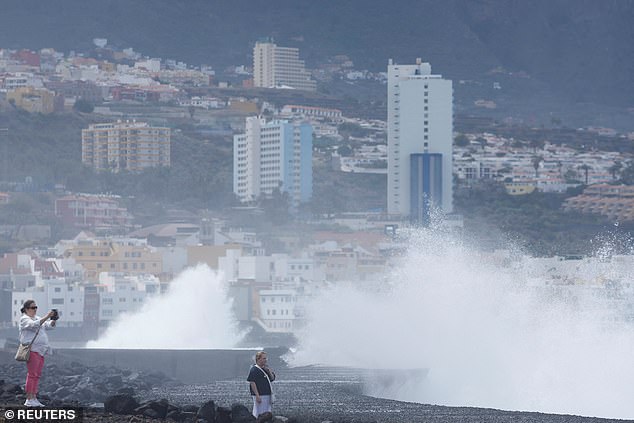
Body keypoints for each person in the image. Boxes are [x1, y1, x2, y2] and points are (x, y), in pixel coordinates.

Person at [19, 299, 57, 407]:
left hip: (41, 351)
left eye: (36, 307)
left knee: (37, 375)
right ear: (26, 309)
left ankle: (34, 397)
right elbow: (33, 325)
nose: (35, 310)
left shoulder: (37, 318)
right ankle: (29, 398)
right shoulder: (24, 319)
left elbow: (48, 326)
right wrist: (47, 316)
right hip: (32, 350)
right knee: (32, 375)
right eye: (32, 308)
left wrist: (54, 319)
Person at [247, 351, 276, 420]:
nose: (266, 360)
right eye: (264, 358)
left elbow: (272, 378)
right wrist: (257, 395)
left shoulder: (265, 369)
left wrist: (269, 371)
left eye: (266, 358)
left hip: (267, 394)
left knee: (267, 411)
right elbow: (252, 382)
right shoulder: (254, 369)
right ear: (258, 359)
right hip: (260, 395)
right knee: (258, 411)